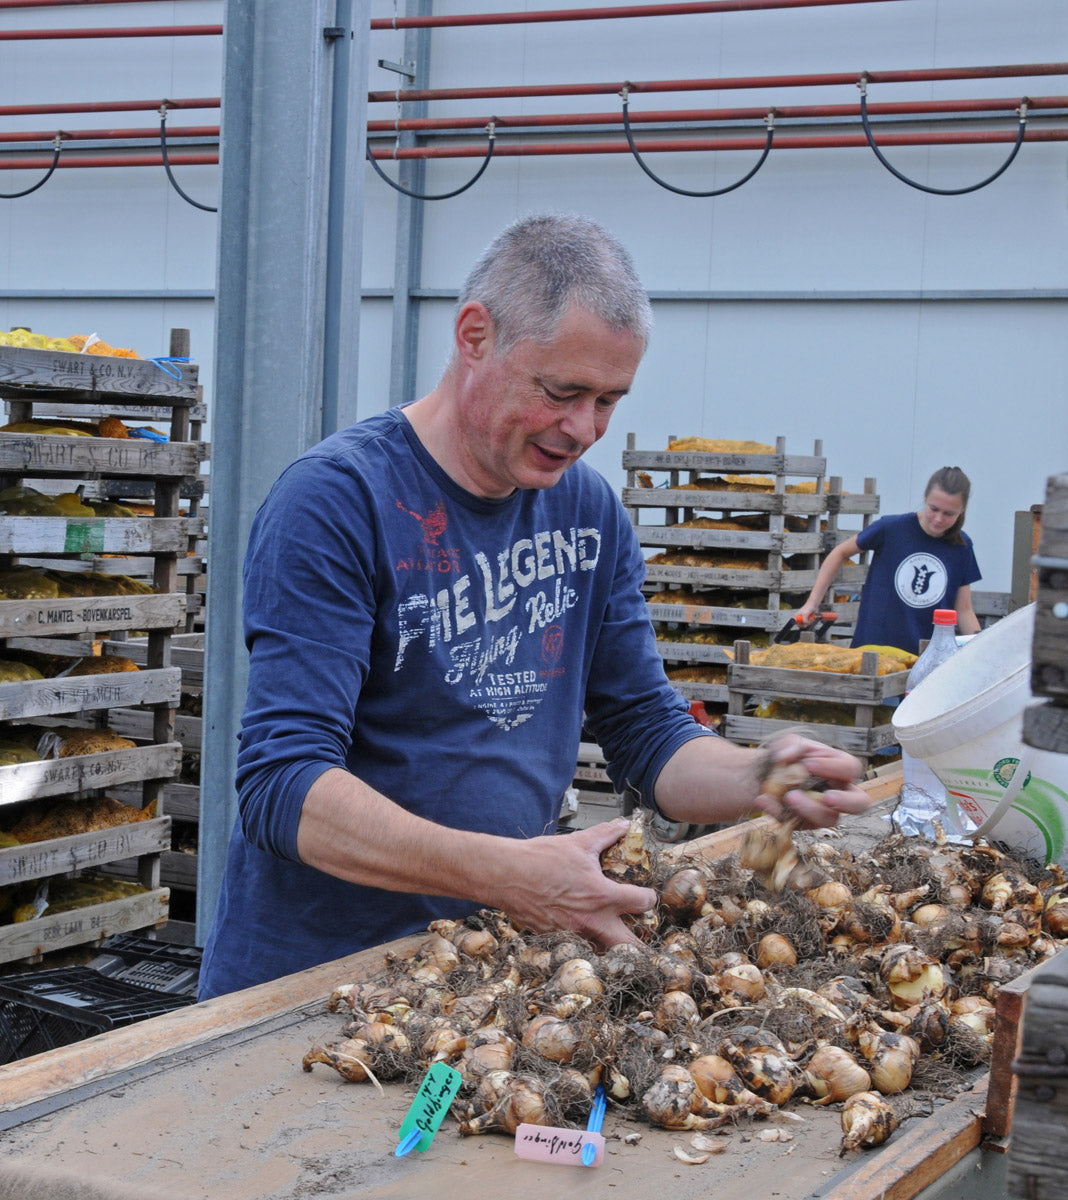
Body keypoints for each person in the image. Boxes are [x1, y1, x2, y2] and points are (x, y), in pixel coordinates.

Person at [197, 213, 871, 999]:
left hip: (479, 977)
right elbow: (285, 787)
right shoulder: (339, 501)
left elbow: (647, 733)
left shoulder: (588, 513)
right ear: (475, 336)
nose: (583, 428)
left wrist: (761, 775)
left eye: (608, 400)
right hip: (309, 986)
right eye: (561, 392)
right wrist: (509, 874)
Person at [796, 466, 982, 655]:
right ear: (925, 497)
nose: (939, 519)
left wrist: (981, 649)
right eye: (934, 509)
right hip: (873, 650)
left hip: (926, 658)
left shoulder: (962, 546)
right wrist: (812, 603)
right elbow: (840, 553)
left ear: (963, 509)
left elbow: (964, 610)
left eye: (949, 514)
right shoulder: (891, 528)